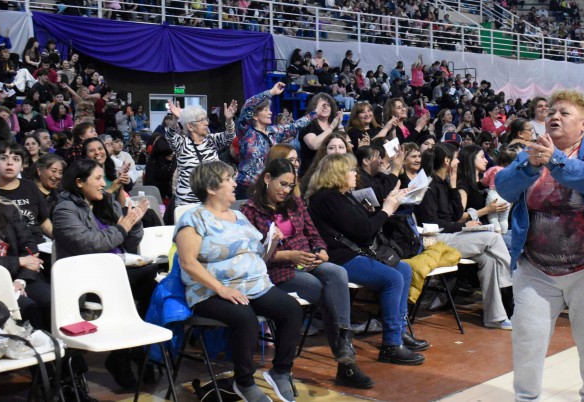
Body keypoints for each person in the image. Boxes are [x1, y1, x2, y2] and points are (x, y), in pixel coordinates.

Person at [495, 89, 584, 402]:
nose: (554, 116)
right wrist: (528, 166)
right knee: (527, 344)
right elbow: (504, 187)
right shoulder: (531, 153)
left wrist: (555, 160)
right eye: (551, 112)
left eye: (564, 113)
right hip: (536, 269)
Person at [174, 161, 302, 402]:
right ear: (212, 187)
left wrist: (272, 243)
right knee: (245, 317)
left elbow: (258, 256)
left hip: (254, 285)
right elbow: (188, 262)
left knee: (291, 310)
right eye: (229, 179)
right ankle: (244, 382)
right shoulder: (194, 217)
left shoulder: (240, 216)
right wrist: (221, 289)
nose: (235, 183)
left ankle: (281, 371)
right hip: (209, 291)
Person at [241, 158, 374, 389]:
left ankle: (344, 341)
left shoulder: (295, 203)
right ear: (267, 178)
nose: (286, 190)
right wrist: (287, 256)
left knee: (336, 272)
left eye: (290, 186)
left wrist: (321, 250)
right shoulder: (250, 211)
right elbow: (252, 255)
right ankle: (346, 363)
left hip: (305, 260)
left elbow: (313, 233)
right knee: (325, 290)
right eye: (282, 184)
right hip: (276, 269)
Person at [306, 154, 428, 365]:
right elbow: (364, 232)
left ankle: (398, 331)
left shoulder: (343, 196)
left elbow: (365, 228)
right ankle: (391, 344)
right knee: (393, 278)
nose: (355, 174)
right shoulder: (327, 199)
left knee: (405, 270)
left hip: (357, 252)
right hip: (339, 258)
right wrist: (387, 210)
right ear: (338, 174)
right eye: (351, 171)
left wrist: (384, 206)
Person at [53, 158, 154, 390]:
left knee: (153, 289)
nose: (103, 184)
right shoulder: (64, 210)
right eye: (97, 179)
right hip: (87, 278)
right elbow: (89, 244)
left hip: (117, 270)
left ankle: (132, 353)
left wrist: (134, 222)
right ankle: (127, 356)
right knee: (142, 281)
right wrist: (123, 227)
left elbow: (130, 241)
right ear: (79, 182)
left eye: (103, 178)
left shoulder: (105, 202)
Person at [415, 142, 513, 329]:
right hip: (436, 239)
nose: (458, 160)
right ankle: (511, 285)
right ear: (446, 161)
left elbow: (456, 213)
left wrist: (452, 185)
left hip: (453, 234)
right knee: (493, 238)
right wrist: (463, 226)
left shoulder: (446, 184)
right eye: (455, 157)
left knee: (489, 259)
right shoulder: (428, 186)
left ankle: (496, 317)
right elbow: (431, 223)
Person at [236, 82, 313, 199]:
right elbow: (248, 106)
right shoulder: (246, 131)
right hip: (247, 188)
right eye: (266, 110)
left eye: (270, 109)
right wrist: (271, 92)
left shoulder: (274, 132)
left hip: (268, 187)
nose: (270, 112)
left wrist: (314, 113)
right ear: (255, 116)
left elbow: (295, 126)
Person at [0, 185, 50, 330]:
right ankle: (36, 349)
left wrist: (21, 281)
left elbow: (30, 248)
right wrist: (18, 261)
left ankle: (59, 348)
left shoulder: (7, 209)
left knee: (49, 301)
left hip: (20, 274)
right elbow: (23, 260)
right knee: (27, 307)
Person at [166, 98, 238, 206]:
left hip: (212, 201)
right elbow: (169, 136)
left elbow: (230, 136)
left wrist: (228, 120)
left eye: (206, 120)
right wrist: (175, 119)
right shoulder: (182, 143)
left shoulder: (211, 140)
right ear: (190, 126)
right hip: (187, 203)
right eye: (201, 121)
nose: (206, 124)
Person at [0, 142, 52, 244]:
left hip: (38, 244)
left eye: (16, 159)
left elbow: (44, 222)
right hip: (7, 249)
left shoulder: (30, 186)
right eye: (4, 158)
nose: (9, 163)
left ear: (22, 166)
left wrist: (62, 239)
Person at [299, 93, 343, 177]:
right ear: (314, 107)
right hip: (313, 174)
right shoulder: (308, 125)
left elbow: (347, 145)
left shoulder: (334, 125)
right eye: (323, 105)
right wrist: (331, 127)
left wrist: (339, 124)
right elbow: (314, 145)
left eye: (328, 105)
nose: (326, 107)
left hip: (334, 173)